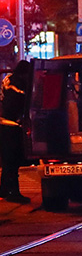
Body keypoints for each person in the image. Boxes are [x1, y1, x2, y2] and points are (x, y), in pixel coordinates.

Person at [1, 60, 32, 203]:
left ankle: (5, 189)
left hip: (4, 123)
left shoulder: (8, 80)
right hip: (11, 126)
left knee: (8, 160)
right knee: (12, 161)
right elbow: (19, 103)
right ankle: (13, 192)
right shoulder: (18, 85)